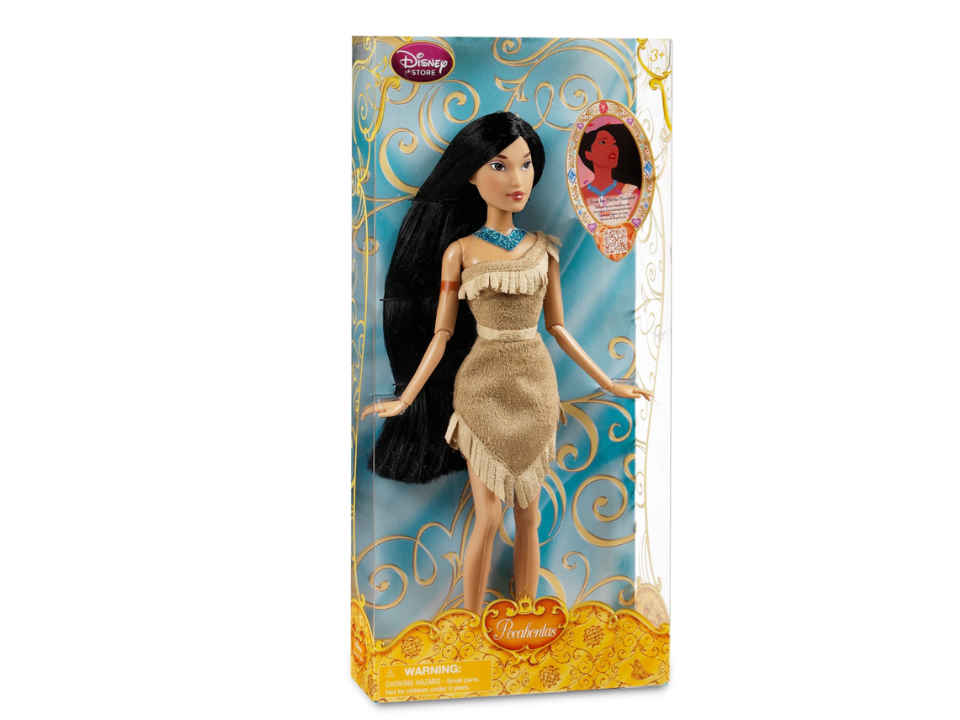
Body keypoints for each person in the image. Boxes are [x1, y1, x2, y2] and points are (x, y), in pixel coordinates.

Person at [361, 112, 650, 614]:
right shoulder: (459, 252)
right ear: (471, 174)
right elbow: (442, 334)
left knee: (531, 516)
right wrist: (404, 399)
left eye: (525, 164)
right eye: (499, 165)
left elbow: (559, 329)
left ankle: (526, 619)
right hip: (481, 389)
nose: (517, 179)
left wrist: (611, 383)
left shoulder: (544, 251)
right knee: (490, 518)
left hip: (536, 390)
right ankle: (472, 626)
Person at [577, 123, 644, 223]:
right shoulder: (579, 195)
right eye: (603, 142)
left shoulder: (631, 191)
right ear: (588, 154)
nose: (612, 148)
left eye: (614, 144)